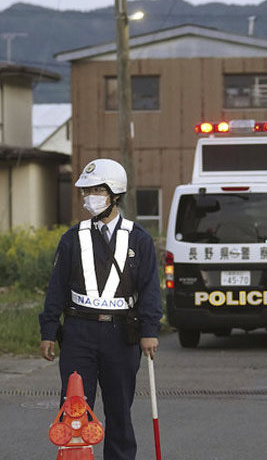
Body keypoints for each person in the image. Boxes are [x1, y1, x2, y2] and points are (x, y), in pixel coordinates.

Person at [39, 158, 163, 460]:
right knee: (74, 407)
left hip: (122, 334)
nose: (88, 197)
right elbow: (56, 288)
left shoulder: (139, 238)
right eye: (85, 191)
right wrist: (48, 331)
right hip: (79, 332)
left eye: (96, 190)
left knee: (119, 409)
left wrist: (150, 331)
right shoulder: (72, 238)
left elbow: (150, 289)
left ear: (115, 194)